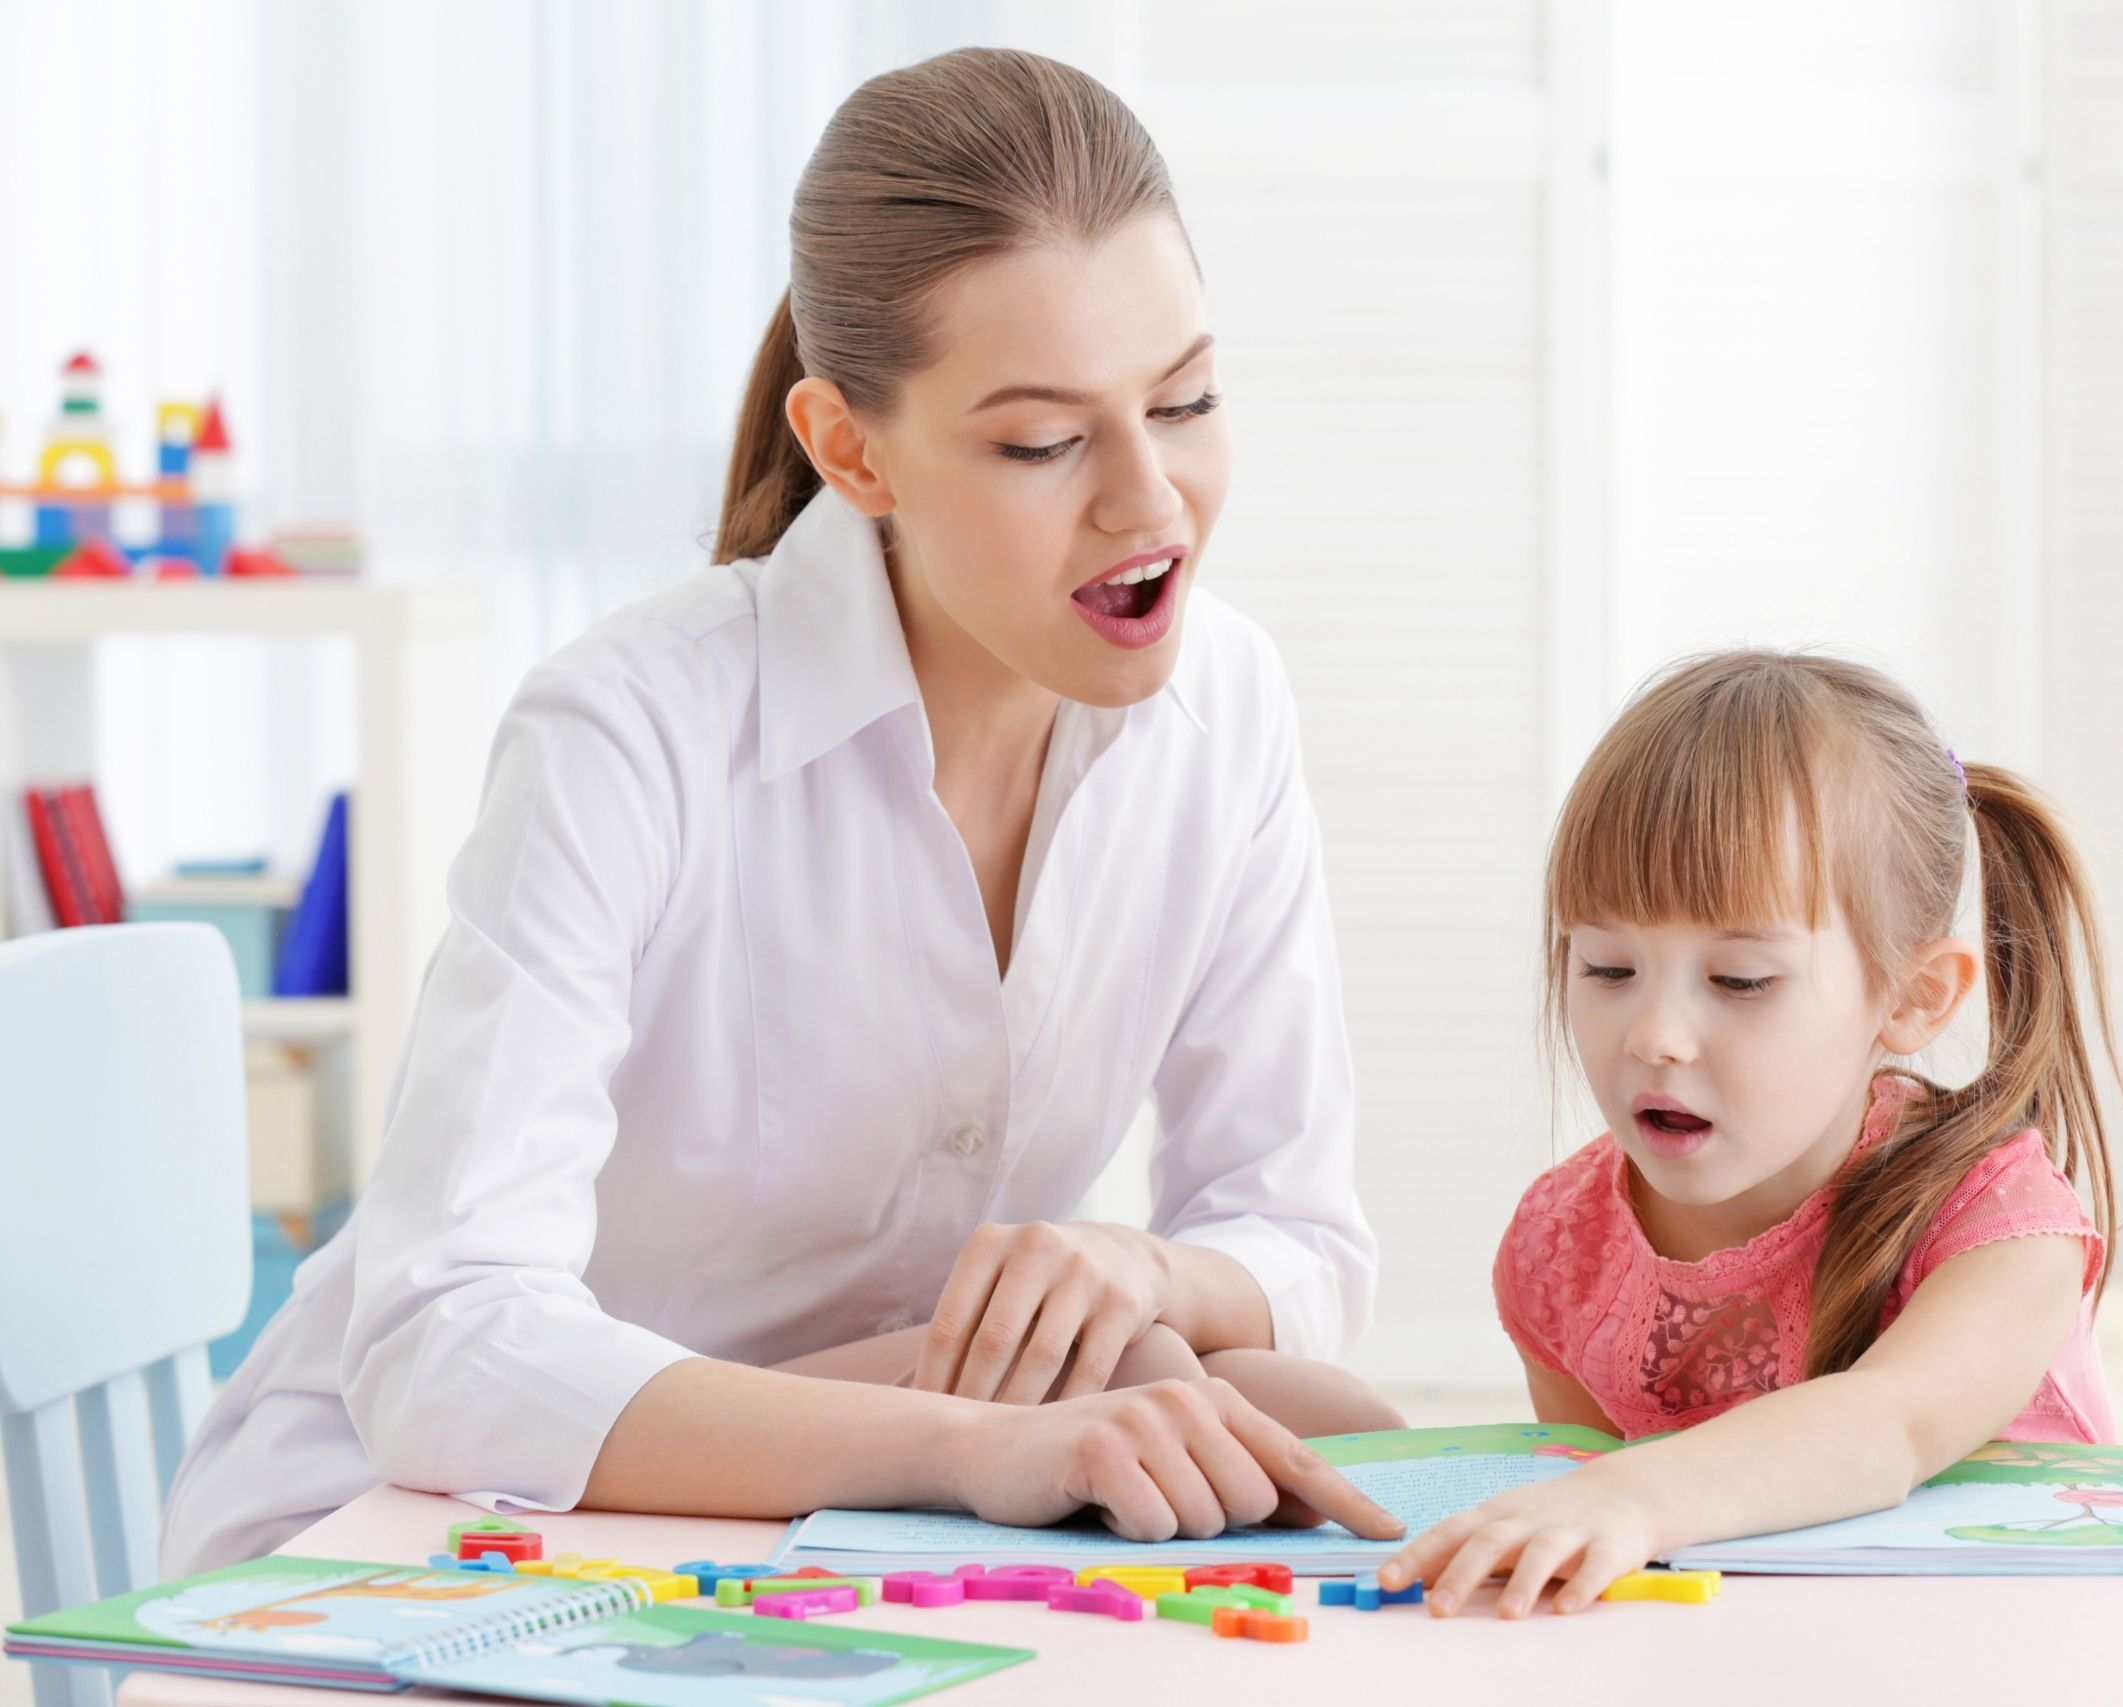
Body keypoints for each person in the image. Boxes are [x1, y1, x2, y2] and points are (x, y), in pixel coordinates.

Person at [162, 46, 1402, 1578]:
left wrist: (1135, 1264)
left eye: (1186, 398)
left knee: (1277, 1400)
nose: (1151, 500)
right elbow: (444, 1335)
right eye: (1043, 441)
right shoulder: (632, 729)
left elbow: (1301, 1240)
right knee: (1171, 1396)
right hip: (423, 1527)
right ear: (852, 449)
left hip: (834, 1529)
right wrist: (978, 1447)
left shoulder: (1229, 708)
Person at [1381, 650, 2123, 1614]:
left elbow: (1890, 1424)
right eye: (1608, 968)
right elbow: (1599, 1558)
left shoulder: (2002, 1219)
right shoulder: (1557, 1247)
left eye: (1740, 981)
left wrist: (1635, 1493)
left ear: (1912, 997)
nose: (1654, 1036)